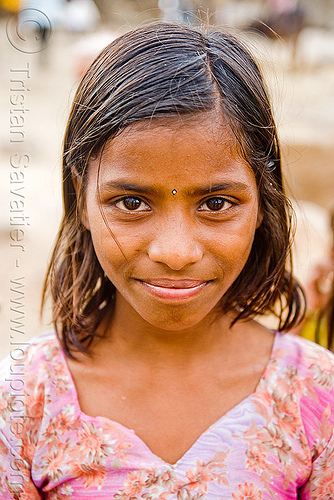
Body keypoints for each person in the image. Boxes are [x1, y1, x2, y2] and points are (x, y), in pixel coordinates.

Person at [0, 22, 333, 499]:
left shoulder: (316, 397)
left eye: (216, 203)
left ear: (262, 201)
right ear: (82, 197)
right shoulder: (22, 400)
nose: (175, 253)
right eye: (132, 203)